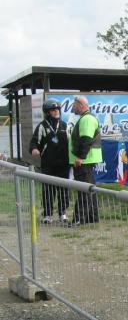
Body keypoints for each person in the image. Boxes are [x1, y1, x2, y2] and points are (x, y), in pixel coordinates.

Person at [29, 98, 70, 223]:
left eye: (57, 109)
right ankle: (47, 214)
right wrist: (34, 149)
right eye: (53, 110)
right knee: (48, 189)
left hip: (63, 164)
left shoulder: (64, 125)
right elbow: (34, 141)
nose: (56, 111)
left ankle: (62, 213)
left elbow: (71, 142)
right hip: (48, 164)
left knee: (63, 189)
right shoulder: (42, 126)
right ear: (47, 112)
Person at [68, 95, 102, 225]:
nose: (73, 108)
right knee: (90, 188)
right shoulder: (87, 118)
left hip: (84, 160)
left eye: (74, 105)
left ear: (81, 105)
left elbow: (86, 140)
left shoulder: (87, 119)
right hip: (87, 159)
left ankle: (79, 219)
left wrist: (80, 157)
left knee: (83, 189)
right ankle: (92, 217)